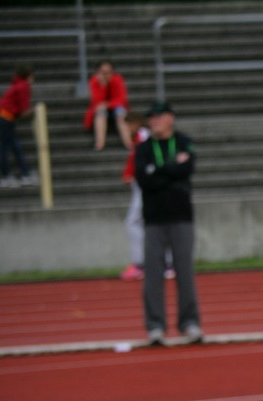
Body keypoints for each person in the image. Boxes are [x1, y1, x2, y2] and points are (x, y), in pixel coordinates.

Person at [135, 101, 202, 345]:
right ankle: (155, 326)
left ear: (169, 118)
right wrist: (172, 168)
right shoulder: (143, 148)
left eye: (157, 117)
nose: (153, 122)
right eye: (150, 118)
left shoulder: (183, 141)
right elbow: (144, 178)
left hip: (182, 217)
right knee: (153, 274)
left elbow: (188, 168)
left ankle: (190, 322)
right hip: (154, 219)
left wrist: (159, 171)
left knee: (184, 272)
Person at [0, 64, 37, 188]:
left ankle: (24, 173)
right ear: (29, 76)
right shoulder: (24, 87)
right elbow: (24, 110)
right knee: (7, 148)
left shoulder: (17, 85)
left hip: (3, 116)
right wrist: (35, 110)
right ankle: (6, 176)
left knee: (14, 147)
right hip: (6, 118)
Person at [119, 111, 148, 280]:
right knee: (146, 222)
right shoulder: (139, 137)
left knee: (133, 222)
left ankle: (140, 263)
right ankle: (161, 262)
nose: (127, 129)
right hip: (141, 184)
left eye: (128, 125)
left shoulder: (143, 137)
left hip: (144, 185)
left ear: (136, 123)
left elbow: (138, 159)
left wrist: (132, 174)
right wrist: (128, 174)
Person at [84, 59, 131, 151]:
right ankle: (100, 143)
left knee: (120, 112)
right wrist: (102, 86)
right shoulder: (94, 81)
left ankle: (128, 143)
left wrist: (107, 105)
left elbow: (121, 99)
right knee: (100, 113)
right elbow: (96, 101)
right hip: (101, 111)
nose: (106, 75)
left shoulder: (118, 79)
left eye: (108, 72)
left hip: (115, 108)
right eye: (103, 72)